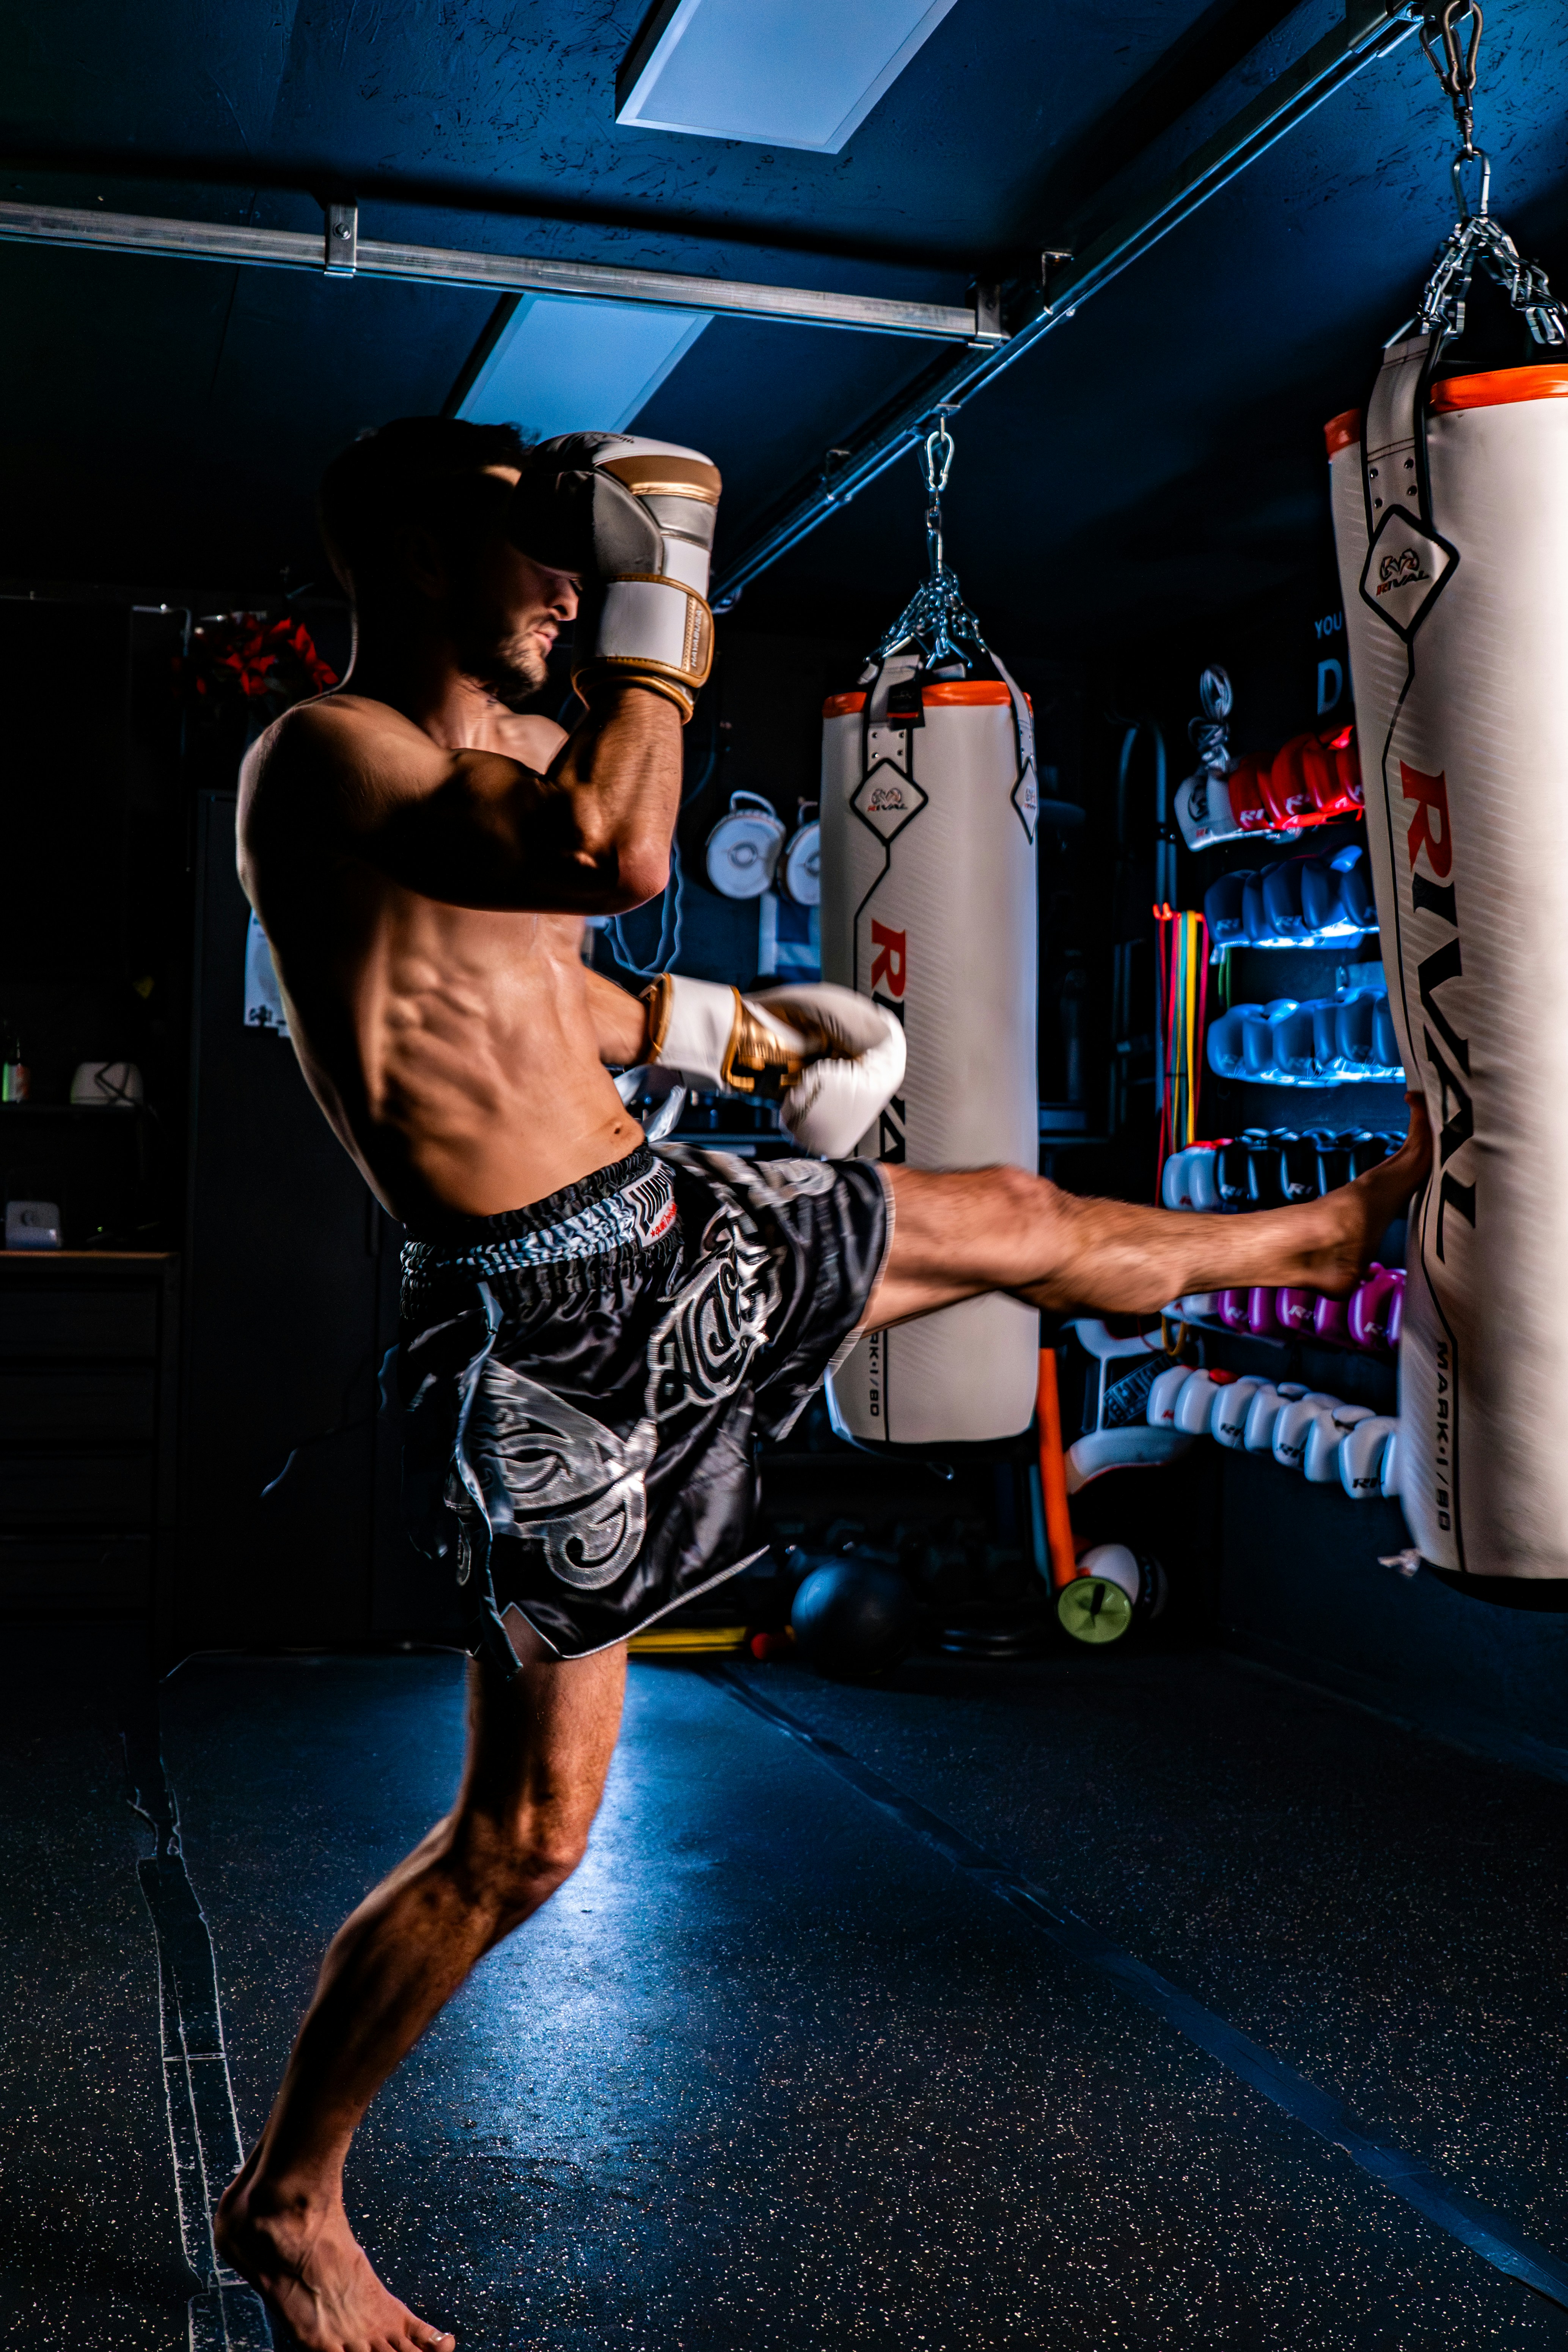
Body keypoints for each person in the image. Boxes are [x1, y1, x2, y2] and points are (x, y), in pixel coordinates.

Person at [217, 415, 1431, 2352]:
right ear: (423, 564)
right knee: (526, 1841)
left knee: (1006, 1212)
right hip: (553, 1332)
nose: (565, 597)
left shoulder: (502, 759)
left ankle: (1320, 1242)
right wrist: (664, 588)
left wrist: (745, 1044)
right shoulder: (329, 757)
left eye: (580, 564)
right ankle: (289, 2201)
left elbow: (551, 989)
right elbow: (611, 851)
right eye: (541, 562)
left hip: (660, 1217)